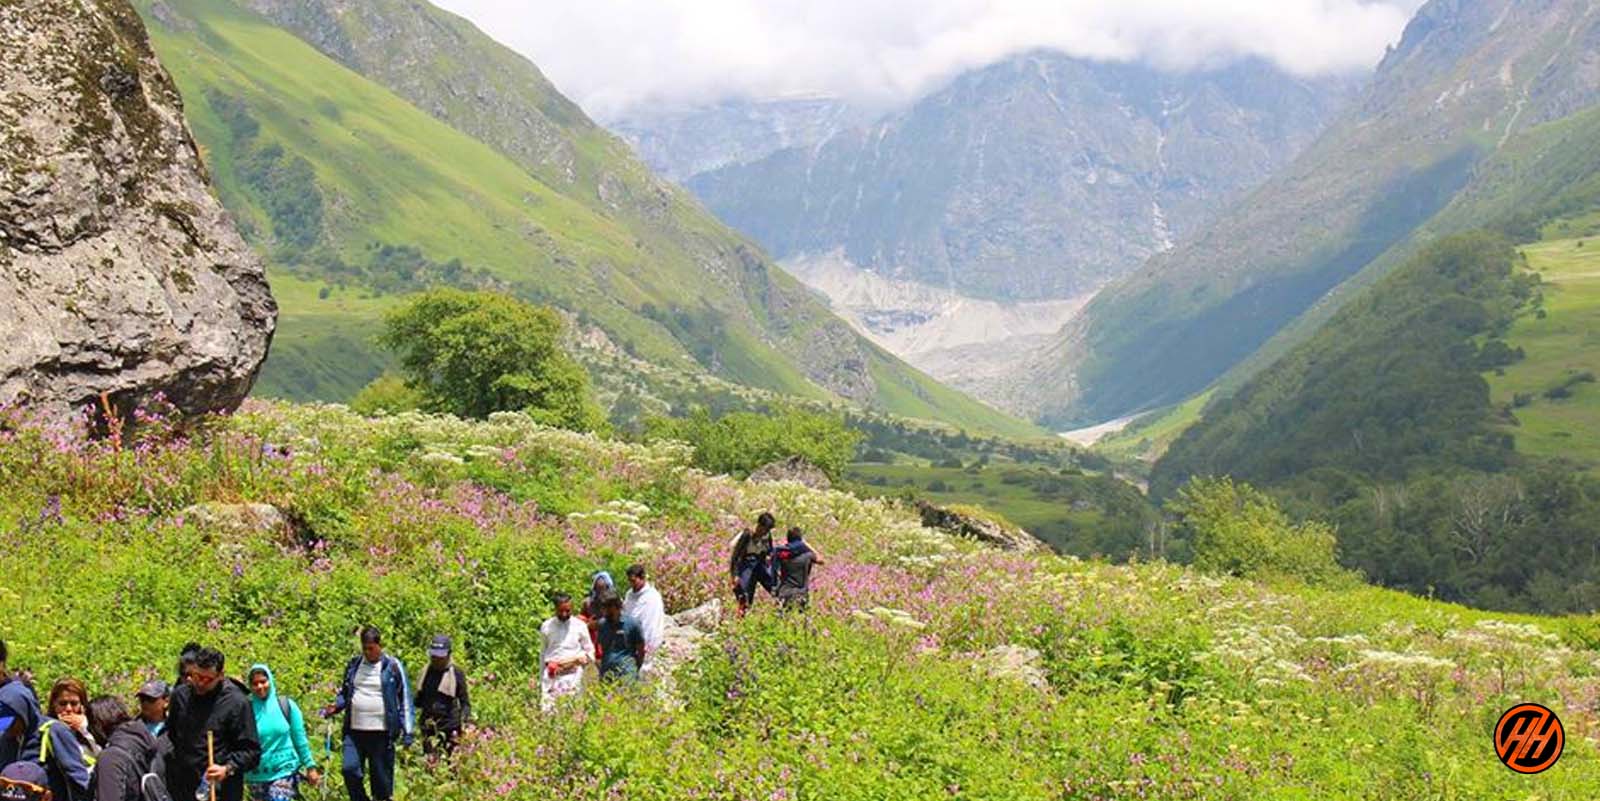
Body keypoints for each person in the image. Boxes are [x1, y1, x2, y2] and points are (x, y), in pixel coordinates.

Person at [322, 627, 412, 801]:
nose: (367, 652)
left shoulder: (392, 667)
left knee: (381, 784)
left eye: (371, 648)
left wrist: (407, 731)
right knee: (349, 769)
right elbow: (346, 692)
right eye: (364, 648)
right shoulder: (354, 665)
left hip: (381, 733)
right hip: (354, 731)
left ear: (379, 645)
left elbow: (405, 699)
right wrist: (336, 706)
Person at [164, 647, 261, 801]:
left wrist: (227, 768)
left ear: (221, 676)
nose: (200, 683)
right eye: (197, 676)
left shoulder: (237, 702)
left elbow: (251, 751)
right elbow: (173, 735)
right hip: (184, 788)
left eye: (207, 679)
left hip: (222, 790)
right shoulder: (180, 696)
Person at [0, 678, 90, 801]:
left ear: (24, 713)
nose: (6, 726)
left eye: (11, 720)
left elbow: (78, 779)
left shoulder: (54, 731)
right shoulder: (7, 738)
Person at [243, 664, 318, 801]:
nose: (260, 687)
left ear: (270, 681)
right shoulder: (246, 709)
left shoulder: (286, 706)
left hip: (284, 771)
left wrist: (310, 766)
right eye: (255, 683)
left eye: (263, 682)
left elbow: (299, 738)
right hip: (256, 775)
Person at [85, 696, 161, 801]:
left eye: (90, 724)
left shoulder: (111, 758)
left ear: (98, 723)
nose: (89, 730)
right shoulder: (144, 742)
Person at [412, 636, 469, 761]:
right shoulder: (426, 673)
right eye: (434, 656)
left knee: (451, 763)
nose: (436, 660)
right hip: (429, 727)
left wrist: (464, 723)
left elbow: (465, 702)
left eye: (440, 657)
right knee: (430, 762)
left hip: (450, 727)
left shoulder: (456, 674)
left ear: (448, 655)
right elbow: (418, 700)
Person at [538, 593, 593, 712]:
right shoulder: (546, 626)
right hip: (552, 675)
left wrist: (581, 659)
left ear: (572, 608)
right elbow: (543, 654)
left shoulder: (580, 626)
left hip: (573, 676)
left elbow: (590, 651)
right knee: (549, 714)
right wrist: (541, 677)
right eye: (560, 611)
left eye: (567, 611)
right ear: (555, 609)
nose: (564, 614)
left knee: (571, 713)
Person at [728, 512, 778, 614]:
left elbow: (770, 550)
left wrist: (769, 556)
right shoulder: (748, 534)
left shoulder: (767, 535)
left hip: (759, 563)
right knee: (743, 588)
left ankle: (783, 606)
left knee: (774, 585)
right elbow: (736, 556)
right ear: (759, 525)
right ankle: (742, 612)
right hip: (746, 563)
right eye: (765, 529)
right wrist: (735, 575)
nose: (766, 532)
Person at [620, 564, 666, 674]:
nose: (632, 584)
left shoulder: (652, 597)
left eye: (634, 581)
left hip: (647, 641)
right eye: (630, 581)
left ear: (642, 578)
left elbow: (650, 623)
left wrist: (643, 643)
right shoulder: (629, 594)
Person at [594, 593, 645, 683]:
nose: (605, 612)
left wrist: (634, 668)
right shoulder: (602, 624)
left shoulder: (633, 624)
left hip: (627, 674)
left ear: (617, 607)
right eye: (603, 608)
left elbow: (641, 650)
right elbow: (599, 647)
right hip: (607, 673)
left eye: (608, 608)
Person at [774, 527, 824, 612]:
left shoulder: (782, 554)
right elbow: (821, 560)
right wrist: (806, 544)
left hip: (784, 592)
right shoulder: (807, 556)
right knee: (800, 621)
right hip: (801, 593)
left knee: (783, 620)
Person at [47, 680, 100, 761]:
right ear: (54, 705)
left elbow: (101, 757)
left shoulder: (92, 728)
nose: (68, 709)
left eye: (74, 703)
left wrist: (84, 729)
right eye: (63, 703)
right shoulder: (45, 729)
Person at [579, 571, 614, 661]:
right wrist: (588, 625)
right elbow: (580, 621)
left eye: (603, 589)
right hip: (593, 641)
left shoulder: (614, 603)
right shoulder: (588, 603)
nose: (601, 593)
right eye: (598, 589)